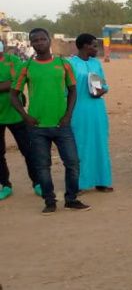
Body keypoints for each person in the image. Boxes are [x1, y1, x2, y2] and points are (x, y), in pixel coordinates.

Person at [10, 28, 90, 214]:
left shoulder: (63, 64)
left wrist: (68, 115)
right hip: (37, 127)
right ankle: (50, 202)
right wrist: (25, 116)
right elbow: (14, 95)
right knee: (42, 166)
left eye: (42, 39)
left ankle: (71, 199)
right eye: (35, 40)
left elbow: (73, 90)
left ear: (49, 40)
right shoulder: (26, 67)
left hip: (62, 125)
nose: (39, 43)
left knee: (72, 163)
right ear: (31, 43)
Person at [68, 33, 112, 192]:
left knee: (100, 144)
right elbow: (66, 89)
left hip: (97, 110)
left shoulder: (96, 63)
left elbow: (103, 84)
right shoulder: (71, 64)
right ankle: (78, 183)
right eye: (94, 45)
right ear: (85, 46)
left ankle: (102, 180)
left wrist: (102, 91)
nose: (96, 48)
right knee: (80, 146)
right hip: (78, 111)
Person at [0, 39, 40, 200]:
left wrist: (6, 85)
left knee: (28, 150)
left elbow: (14, 82)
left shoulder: (13, 60)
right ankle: (5, 184)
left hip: (16, 114)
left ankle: (37, 183)